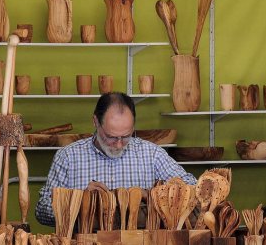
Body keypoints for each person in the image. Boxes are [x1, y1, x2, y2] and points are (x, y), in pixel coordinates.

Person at [35, 92, 196, 226]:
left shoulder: (152, 154)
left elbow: (193, 189)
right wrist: (80, 200)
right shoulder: (68, 157)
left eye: (126, 136)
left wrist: (151, 194)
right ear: (96, 122)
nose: (119, 145)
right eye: (111, 137)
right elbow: (42, 211)